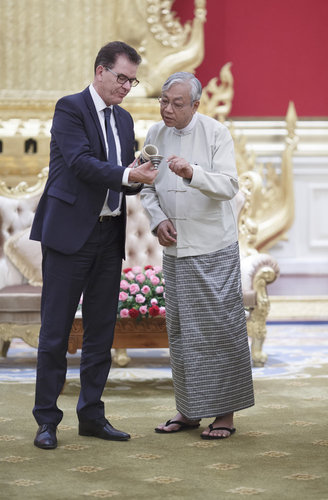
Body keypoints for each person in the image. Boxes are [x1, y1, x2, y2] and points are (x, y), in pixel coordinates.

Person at [31, 41, 158, 449]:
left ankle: (91, 415)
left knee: (101, 332)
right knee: (56, 333)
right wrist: (128, 174)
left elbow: (121, 178)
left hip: (109, 235)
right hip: (69, 236)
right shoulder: (69, 108)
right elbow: (82, 163)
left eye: (132, 81)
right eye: (121, 77)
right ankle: (47, 421)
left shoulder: (123, 119)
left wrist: (139, 174)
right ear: (100, 70)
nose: (125, 87)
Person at [141, 72, 254, 439]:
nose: (167, 109)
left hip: (213, 249)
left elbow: (229, 186)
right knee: (183, 332)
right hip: (175, 251)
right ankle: (188, 411)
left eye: (176, 104)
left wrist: (193, 173)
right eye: (163, 101)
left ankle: (224, 415)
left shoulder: (216, 133)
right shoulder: (154, 135)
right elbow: (144, 189)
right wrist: (158, 221)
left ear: (195, 105)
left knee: (220, 332)